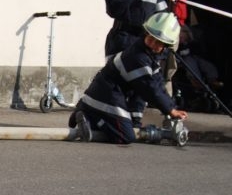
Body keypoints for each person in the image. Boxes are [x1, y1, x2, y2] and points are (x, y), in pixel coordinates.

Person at [70, 12, 187, 144]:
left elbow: (157, 84)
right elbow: (150, 89)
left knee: (129, 130)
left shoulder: (151, 57)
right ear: (145, 33)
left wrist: (171, 107)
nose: (153, 44)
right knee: (125, 136)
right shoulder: (138, 57)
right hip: (106, 94)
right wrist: (171, 111)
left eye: (158, 42)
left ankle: (89, 113)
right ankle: (90, 117)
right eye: (150, 38)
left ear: (166, 46)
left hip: (110, 93)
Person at [103, 0, 168, 126]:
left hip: (143, 42)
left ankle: (136, 118)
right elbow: (114, 11)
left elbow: (162, 17)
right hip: (120, 38)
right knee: (117, 80)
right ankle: (117, 118)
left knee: (141, 81)